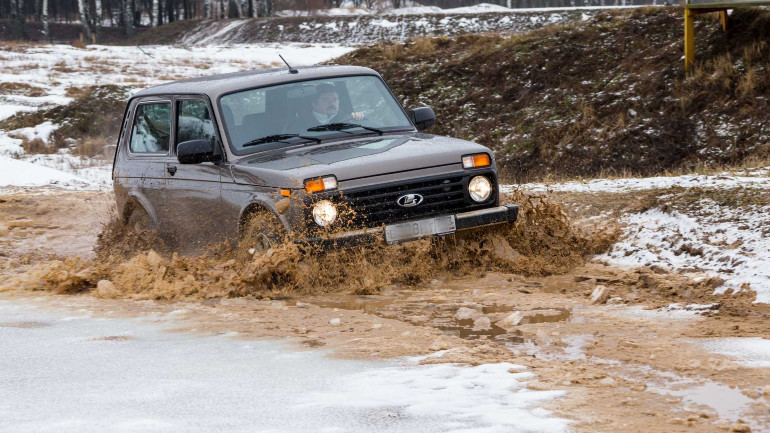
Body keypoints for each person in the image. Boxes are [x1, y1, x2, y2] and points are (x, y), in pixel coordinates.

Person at [296, 83, 364, 129]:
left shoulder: (349, 119)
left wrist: (359, 118)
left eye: (335, 99)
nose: (332, 103)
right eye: (325, 100)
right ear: (314, 104)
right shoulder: (298, 125)